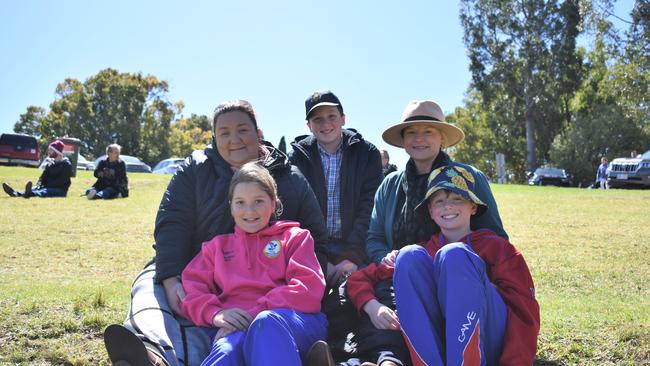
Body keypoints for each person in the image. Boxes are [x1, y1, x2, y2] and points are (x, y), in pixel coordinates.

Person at [103, 100, 330, 366]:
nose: (234, 139)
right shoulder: (196, 168)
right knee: (150, 287)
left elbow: (315, 241)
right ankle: (157, 355)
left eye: (242, 130)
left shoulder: (289, 179)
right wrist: (171, 277)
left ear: (258, 134)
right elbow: (172, 222)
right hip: (198, 273)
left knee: (254, 331)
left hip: (273, 295)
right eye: (224, 132)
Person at [353, 164, 540, 366]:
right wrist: (372, 306)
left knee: (455, 255)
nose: (447, 207)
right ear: (431, 211)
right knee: (407, 256)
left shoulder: (499, 249)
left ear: (473, 207)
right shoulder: (423, 253)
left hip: (490, 345)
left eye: (457, 199)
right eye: (439, 201)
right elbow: (359, 278)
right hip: (441, 348)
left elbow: (524, 311)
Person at [180, 162, 328, 365]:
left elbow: (308, 289)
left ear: (273, 204)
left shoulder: (295, 237)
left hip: (291, 321)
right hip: (235, 326)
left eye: (258, 201)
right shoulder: (216, 248)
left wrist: (253, 314)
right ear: (231, 206)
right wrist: (215, 313)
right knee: (226, 351)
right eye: (240, 202)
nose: (249, 210)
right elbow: (192, 291)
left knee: (266, 324)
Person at [366, 100, 508, 265]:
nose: (419, 139)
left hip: (459, 280)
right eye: (411, 132)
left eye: (428, 131)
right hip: (398, 279)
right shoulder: (389, 184)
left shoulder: (470, 177)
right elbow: (375, 238)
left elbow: (496, 237)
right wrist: (386, 257)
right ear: (403, 141)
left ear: (442, 138)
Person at [290, 90, 383, 286]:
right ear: (309, 125)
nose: (325, 124)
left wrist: (352, 256)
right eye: (317, 119)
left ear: (343, 118)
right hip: (312, 250)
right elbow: (296, 215)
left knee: (361, 293)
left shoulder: (367, 153)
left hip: (355, 248)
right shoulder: (296, 158)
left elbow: (370, 208)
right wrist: (320, 260)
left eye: (332, 116)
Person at [2, 139, 72, 198]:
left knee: (44, 191)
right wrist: (39, 185)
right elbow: (43, 177)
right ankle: (16, 193)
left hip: (60, 190)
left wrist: (45, 186)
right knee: (35, 188)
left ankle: (30, 194)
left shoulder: (66, 165)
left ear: (57, 152)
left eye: (51, 150)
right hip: (47, 187)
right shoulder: (50, 164)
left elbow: (62, 181)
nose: (49, 152)